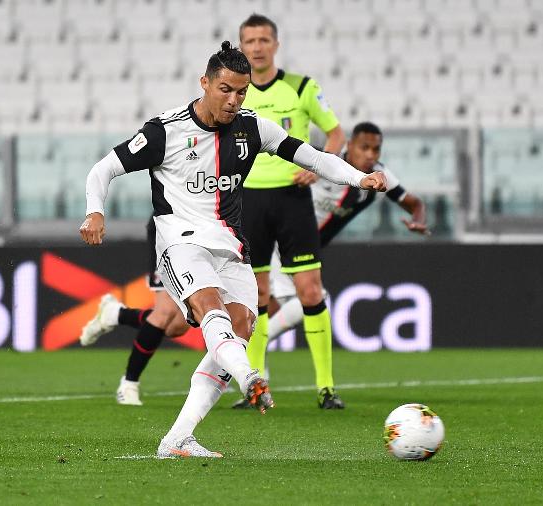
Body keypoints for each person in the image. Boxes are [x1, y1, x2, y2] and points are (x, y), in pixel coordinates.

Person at [79, 42, 386, 458]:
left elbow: (310, 157)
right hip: (181, 241)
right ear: (205, 83)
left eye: (241, 92)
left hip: (231, 247)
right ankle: (250, 379)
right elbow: (105, 168)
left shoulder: (251, 128)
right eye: (225, 89)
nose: (233, 100)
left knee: (240, 328)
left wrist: (357, 177)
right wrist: (95, 212)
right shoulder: (164, 132)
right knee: (211, 312)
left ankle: (178, 438)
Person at [238, 14, 347, 409]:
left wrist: (316, 164)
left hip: (292, 200)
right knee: (256, 295)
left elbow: (336, 134)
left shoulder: (301, 87)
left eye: (264, 39)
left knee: (310, 290)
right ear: (241, 46)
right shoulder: (234, 91)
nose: (257, 47)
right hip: (247, 200)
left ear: (276, 45)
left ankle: (326, 387)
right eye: (249, 41)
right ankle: (256, 385)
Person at [265, 122, 429, 344]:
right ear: (349, 145)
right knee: (311, 300)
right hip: (279, 239)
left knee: (272, 310)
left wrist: (417, 221)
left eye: (375, 149)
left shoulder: (379, 176)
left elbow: (415, 204)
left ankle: (250, 361)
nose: (370, 155)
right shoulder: (320, 159)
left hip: (303, 250)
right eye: (364, 147)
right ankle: (252, 350)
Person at [78, 218, 190, 406]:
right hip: (169, 228)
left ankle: (115, 314)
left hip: (205, 232)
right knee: (165, 313)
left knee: (176, 326)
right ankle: (129, 384)